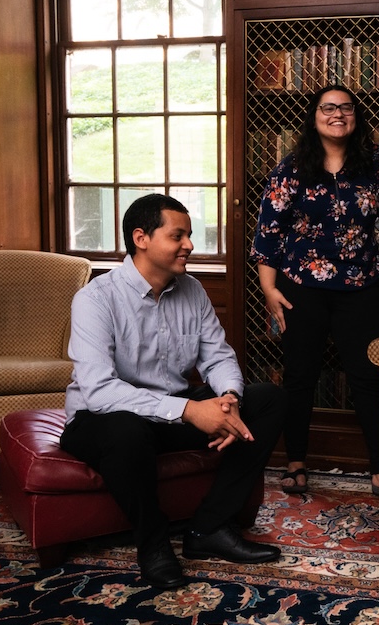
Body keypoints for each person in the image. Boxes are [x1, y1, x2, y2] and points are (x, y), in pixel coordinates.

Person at [61, 194, 287, 590]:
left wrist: (228, 399)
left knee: (268, 399)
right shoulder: (95, 299)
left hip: (170, 413)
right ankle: (152, 544)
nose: (189, 245)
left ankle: (209, 528)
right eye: (178, 235)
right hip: (103, 419)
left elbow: (217, 356)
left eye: (190, 235)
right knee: (126, 431)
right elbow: (99, 390)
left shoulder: (193, 290)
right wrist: (189, 410)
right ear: (141, 238)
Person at [251, 84, 379, 498]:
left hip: (359, 287)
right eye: (328, 108)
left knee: (366, 376)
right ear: (314, 117)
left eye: (346, 108)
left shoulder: (376, 163)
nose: (337, 114)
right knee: (300, 376)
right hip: (300, 288)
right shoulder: (291, 167)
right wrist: (268, 290)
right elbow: (268, 233)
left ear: (355, 116)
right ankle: (295, 461)